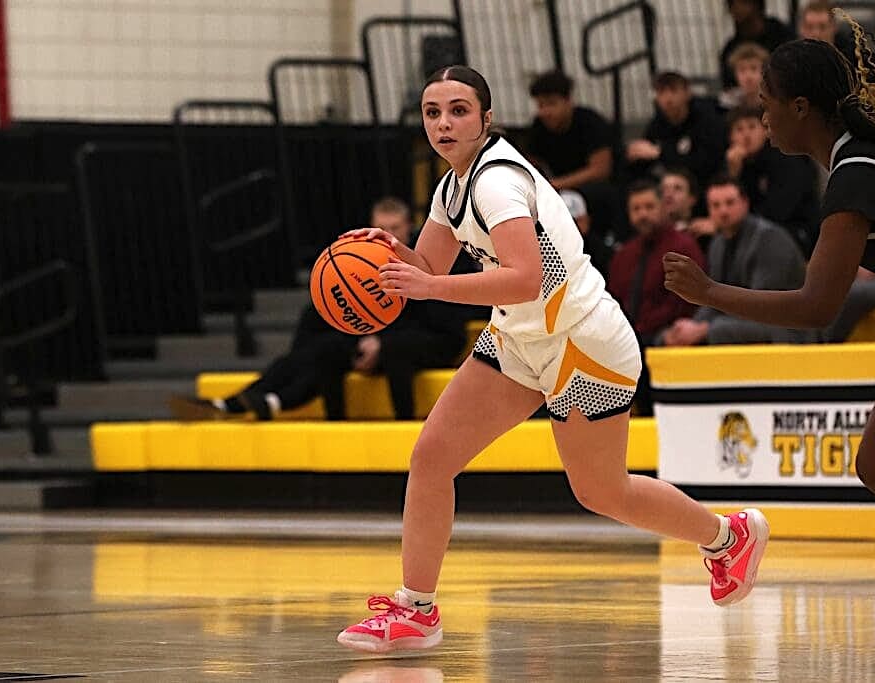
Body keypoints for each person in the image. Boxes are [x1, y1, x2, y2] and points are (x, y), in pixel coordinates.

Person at [335, 65, 770, 654]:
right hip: (519, 339)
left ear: (487, 119)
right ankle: (416, 610)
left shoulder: (495, 182)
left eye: (459, 110)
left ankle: (726, 536)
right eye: (433, 111)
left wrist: (428, 287)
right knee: (432, 458)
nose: (444, 122)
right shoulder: (451, 187)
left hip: (582, 344)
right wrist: (385, 258)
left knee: (601, 493)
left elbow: (522, 278)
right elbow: (429, 268)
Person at [663, 17, 875, 554]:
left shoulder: (855, 177)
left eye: (766, 102)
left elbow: (815, 308)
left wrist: (709, 293)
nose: (761, 115)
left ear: (800, 107)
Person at [168, 198, 476, 422]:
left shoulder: (432, 251)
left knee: (392, 347)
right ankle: (250, 402)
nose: (387, 234)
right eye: (380, 227)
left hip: (433, 337)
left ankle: (405, 426)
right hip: (382, 334)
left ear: (410, 226)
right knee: (320, 339)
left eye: (394, 227)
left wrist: (379, 340)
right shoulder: (368, 254)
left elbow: (435, 315)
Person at [658, 176, 812, 347]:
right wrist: (691, 327)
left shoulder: (769, 239)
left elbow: (763, 307)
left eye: (730, 203)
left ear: (745, 203)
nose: (723, 211)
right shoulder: (717, 243)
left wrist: (703, 329)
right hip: (744, 321)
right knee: (671, 334)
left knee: (717, 329)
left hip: (785, 328)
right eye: (715, 206)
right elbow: (711, 298)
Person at [607, 181, 705, 415]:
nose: (643, 214)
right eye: (636, 209)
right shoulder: (623, 256)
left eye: (649, 207)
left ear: (663, 207)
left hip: (668, 339)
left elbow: (689, 302)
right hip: (631, 341)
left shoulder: (683, 247)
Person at [525, 70, 625, 270]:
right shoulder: (538, 128)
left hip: (603, 192)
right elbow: (530, 164)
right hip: (563, 192)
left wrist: (555, 185)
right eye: (541, 105)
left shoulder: (590, 123)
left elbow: (600, 170)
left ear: (568, 101)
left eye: (551, 104)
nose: (546, 111)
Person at [724, 106, 820, 256]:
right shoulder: (740, 164)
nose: (746, 135)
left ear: (764, 131)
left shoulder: (786, 157)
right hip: (759, 230)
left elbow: (779, 211)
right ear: (731, 137)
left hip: (798, 232)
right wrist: (733, 173)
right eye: (739, 129)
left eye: (751, 127)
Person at [625, 71, 727, 189]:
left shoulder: (707, 120)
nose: (668, 99)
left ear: (687, 93)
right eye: (662, 92)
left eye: (673, 90)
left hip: (704, 185)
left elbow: (706, 162)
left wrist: (660, 153)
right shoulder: (657, 125)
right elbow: (646, 154)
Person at [719, 0, 795, 89]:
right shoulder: (730, 50)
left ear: (757, 5)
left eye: (743, 2)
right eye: (731, 4)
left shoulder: (782, 35)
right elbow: (729, 88)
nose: (736, 8)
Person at [719, 42, 768, 111]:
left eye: (754, 68)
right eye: (742, 70)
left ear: (764, 71)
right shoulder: (728, 102)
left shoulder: (773, 101)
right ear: (734, 74)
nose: (748, 76)